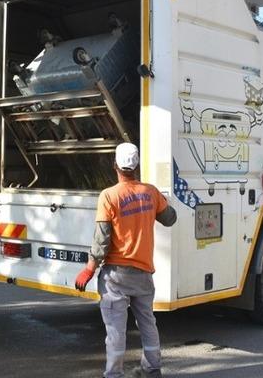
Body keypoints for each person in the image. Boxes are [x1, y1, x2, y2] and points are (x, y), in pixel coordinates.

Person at [75, 143, 177, 378]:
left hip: (116, 277)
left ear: (115, 166)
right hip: (143, 274)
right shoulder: (150, 192)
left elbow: (102, 239)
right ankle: (152, 368)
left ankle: (114, 374)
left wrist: (89, 269)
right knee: (148, 323)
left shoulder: (109, 196)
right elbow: (170, 219)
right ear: (137, 166)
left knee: (116, 330)